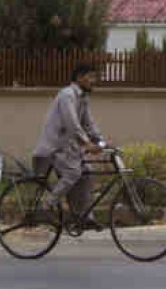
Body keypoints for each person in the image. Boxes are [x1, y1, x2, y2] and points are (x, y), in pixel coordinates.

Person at [32, 63, 105, 231]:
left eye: (95, 77)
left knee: (87, 172)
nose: (94, 81)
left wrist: (102, 141)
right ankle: (46, 206)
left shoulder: (83, 98)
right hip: (54, 148)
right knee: (74, 172)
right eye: (91, 77)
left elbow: (89, 124)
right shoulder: (67, 95)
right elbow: (72, 124)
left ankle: (84, 216)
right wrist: (87, 144)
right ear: (79, 77)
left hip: (68, 149)